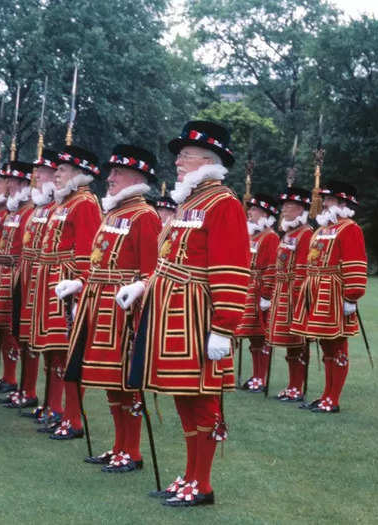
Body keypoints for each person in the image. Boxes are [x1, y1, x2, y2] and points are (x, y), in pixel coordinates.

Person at [120, 121, 250, 506]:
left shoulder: (224, 203)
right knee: (183, 395)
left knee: (203, 398)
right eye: (179, 155)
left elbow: (231, 269)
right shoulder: (188, 203)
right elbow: (167, 258)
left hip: (198, 314)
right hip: (171, 310)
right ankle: (190, 476)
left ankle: (203, 483)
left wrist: (223, 328)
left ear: (208, 160)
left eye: (185, 155)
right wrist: (143, 286)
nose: (177, 161)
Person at [59, 144, 161, 471]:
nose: (110, 177)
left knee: (126, 384)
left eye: (118, 172)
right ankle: (118, 446)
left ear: (136, 176)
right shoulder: (114, 212)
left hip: (124, 311)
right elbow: (98, 259)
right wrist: (80, 284)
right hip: (99, 306)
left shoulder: (145, 215)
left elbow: (151, 270)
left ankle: (132, 451)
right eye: (112, 171)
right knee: (109, 384)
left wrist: (139, 290)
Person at [30, 146, 102, 437]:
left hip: (68, 286)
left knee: (70, 354)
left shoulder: (84, 203)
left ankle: (73, 418)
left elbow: (88, 252)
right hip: (52, 283)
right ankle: (56, 409)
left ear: (77, 174)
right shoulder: (65, 203)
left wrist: (80, 288)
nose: (56, 174)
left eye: (62, 170)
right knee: (53, 353)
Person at [291, 181, 367, 412]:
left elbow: (356, 264)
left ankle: (333, 398)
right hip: (315, 290)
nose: (324, 203)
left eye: (330, 200)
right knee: (325, 346)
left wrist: (351, 297)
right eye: (325, 199)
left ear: (343, 203)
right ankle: (325, 395)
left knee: (338, 345)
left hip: (334, 292)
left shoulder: (350, 228)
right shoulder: (321, 229)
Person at [0, 161, 35, 406]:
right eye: (7, 181)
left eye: (13, 181)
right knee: (1, 326)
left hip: (16, 272)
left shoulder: (28, 211)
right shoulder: (10, 211)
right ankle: (8, 376)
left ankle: (15, 378)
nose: (8, 185)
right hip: (0, 272)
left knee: (14, 329)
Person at [17, 149, 59, 416]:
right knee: (35, 342)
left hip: (52, 280)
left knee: (53, 347)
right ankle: (39, 397)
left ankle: (54, 405)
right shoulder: (39, 208)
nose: (36, 177)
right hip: (33, 276)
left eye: (42, 173)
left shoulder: (57, 207)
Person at [266, 187, 313, 402]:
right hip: (281, 292)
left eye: (289, 205)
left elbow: (304, 266)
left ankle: (298, 386)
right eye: (283, 205)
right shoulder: (288, 233)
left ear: (300, 208)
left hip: (295, 293)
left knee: (298, 341)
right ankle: (291, 385)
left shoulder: (305, 233)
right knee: (288, 342)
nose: (284, 209)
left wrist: (299, 297)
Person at [235, 194, 279, 393]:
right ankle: (255, 375)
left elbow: (271, 267)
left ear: (264, 213)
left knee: (262, 335)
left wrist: (266, 294)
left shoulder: (270, 237)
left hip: (260, 290)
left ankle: (262, 377)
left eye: (253, 210)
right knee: (253, 336)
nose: (249, 213)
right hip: (248, 288)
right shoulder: (252, 235)